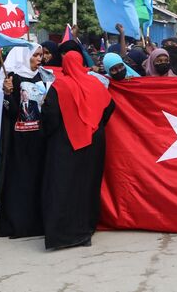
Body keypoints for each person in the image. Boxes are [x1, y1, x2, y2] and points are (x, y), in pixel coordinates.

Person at [41, 51, 114, 250]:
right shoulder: (96, 84)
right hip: (95, 143)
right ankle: (87, 228)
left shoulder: (60, 86)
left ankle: (65, 235)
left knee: (64, 187)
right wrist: (96, 125)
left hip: (66, 143)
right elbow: (109, 107)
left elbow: (50, 115)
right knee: (88, 185)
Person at [0, 43, 53, 239]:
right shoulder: (13, 77)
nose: (40, 59)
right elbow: (10, 111)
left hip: (40, 137)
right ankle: (18, 223)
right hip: (19, 139)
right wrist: (7, 93)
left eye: (41, 55)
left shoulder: (44, 75)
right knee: (20, 180)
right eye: (35, 55)